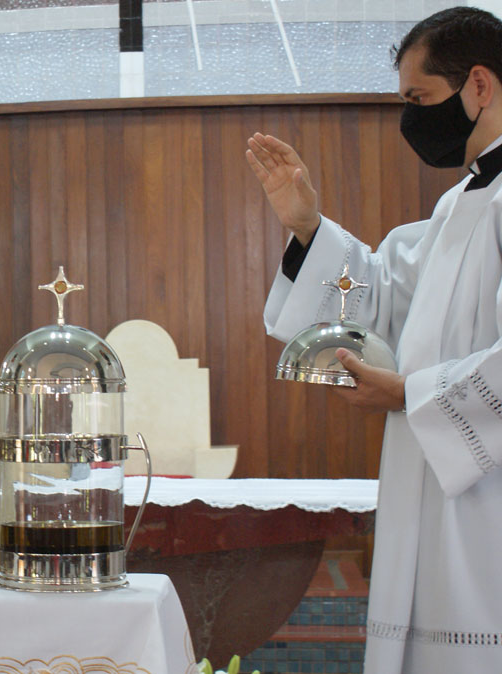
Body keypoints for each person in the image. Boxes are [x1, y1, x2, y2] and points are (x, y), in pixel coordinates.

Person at [249, 8, 502, 672]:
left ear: (479, 84)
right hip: (433, 486)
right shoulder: (459, 206)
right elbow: (385, 301)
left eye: (417, 99)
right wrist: (309, 226)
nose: (411, 120)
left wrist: (410, 393)